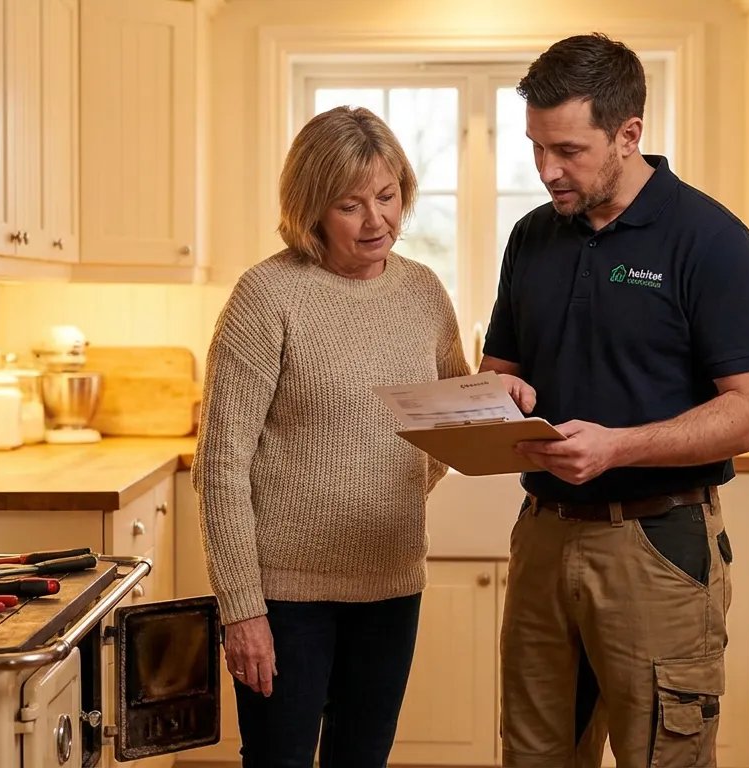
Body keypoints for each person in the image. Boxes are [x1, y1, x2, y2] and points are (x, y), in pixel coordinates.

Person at [480, 33, 749, 768]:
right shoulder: (530, 237)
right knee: (532, 756)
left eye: (569, 150)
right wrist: (497, 393)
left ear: (628, 133)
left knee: (660, 757)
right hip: (542, 537)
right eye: (536, 148)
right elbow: (497, 369)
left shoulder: (711, 241)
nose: (548, 170)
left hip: (657, 545)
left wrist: (618, 446)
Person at [191, 105, 470, 767]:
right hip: (285, 599)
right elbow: (220, 466)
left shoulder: (424, 292)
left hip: (391, 583)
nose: (377, 221)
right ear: (311, 208)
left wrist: (397, 483)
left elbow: (452, 419)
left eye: (388, 196)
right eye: (351, 205)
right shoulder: (267, 295)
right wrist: (242, 610)